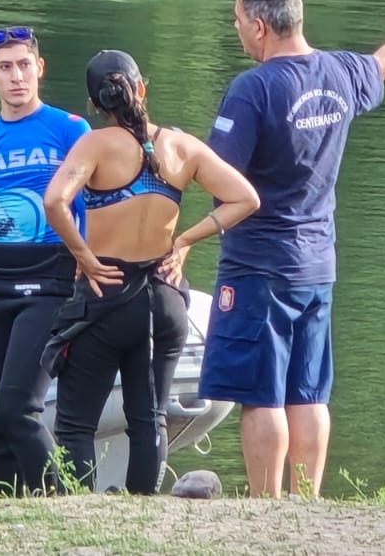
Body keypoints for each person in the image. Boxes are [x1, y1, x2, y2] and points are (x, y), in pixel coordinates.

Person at [201, 0, 385, 498]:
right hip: (317, 266)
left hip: (259, 266)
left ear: (260, 25)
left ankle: (266, 505)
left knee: (262, 396)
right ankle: (306, 504)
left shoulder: (253, 90)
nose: (236, 29)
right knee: (309, 392)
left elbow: (218, 178)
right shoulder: (340, 72)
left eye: (238, 20)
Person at [41, 50, 259, 495]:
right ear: (143, 89)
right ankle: (145, 510)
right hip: (164, 296)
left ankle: (79, 508)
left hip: (107, 294)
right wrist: (185, 240)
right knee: (150, 418)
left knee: (76, 423)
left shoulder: (95, 145)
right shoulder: (181, 147)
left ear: (94, 104)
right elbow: (246, 198)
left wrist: (82, 254)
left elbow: (54, 201)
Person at [0, 25, 90, 496]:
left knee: (19, 408)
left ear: (40, 68)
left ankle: (63, 502)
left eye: (24, 65)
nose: (16, 77)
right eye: (5, 67)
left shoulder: (70, 130)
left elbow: (87, 212)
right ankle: (5, 513)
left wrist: (85, 276)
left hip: (47, 286)